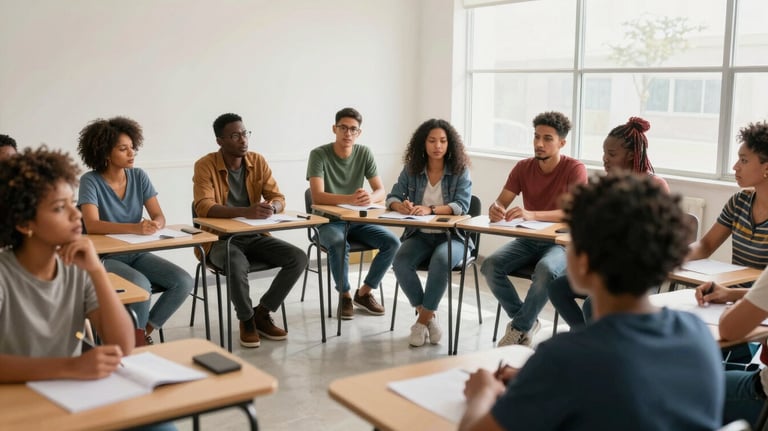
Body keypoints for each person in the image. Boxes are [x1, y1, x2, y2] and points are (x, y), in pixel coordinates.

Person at [460, 173, 724, 431]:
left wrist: (482, 393)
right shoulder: (697, 333)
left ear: (584, 262)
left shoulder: (563, 357)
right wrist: (537, 378)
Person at [0, 146, 135, 382]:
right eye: (59, 208)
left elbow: (123, 346)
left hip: (71, 393)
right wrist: (70, 367)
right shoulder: (4, 274)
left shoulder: (78, 266)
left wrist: (96, 271)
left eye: (72, 203)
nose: (77, 215)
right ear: (24, 223)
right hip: (16, 403)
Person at [193, 113, 307, 348]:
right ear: (220, 141)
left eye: (245, 133)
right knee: (236, 262)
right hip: (218, 240)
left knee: (298, 257)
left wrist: (271, 208)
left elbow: (278, 197)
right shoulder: (205, 165)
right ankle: (246, 320)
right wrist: (246, 211)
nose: (243, 140)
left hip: (255, 236)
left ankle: (261, 313)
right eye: (235, 135)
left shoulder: (258, 161)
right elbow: (203, 206)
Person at [77, 117, 194, 345]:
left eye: (132, 148)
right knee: (141, 286)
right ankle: (134, 341)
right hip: (106, 257)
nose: (132, 153)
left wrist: (156, 224)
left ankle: (140, 335)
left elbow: (159, 215)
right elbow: (92, 224)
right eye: (123, 149)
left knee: (183, 281)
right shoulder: (90, 181)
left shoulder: (139, 176)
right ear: (105, 153)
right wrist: (136, 227)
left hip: (138, 251)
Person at [548, 116, 668, 330]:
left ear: (632, 155)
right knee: (557, 288)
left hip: (640, 272)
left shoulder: (654, 186)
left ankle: (600, 347)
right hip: (608, 268)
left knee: (592, 304)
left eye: (612, 154)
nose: (605, 159)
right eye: (604, 153)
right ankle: (589, 341)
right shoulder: (609, 186)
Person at [481, 111, 587, 346]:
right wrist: (495, 208)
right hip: (528, 239)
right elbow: (502, 201)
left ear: (562, 142)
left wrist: (532, 213)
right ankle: (528, 322)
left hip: (561, 243)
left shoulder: (574, 168)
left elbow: (575, 211)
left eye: (547, 138)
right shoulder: (523, 167)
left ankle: (519, 328)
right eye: (536, 137)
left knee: (546, 270)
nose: (539, 143)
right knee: (489, 265)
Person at [307, 107, 400, 319]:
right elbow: (317, 197)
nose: (348, 133)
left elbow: (381, 191)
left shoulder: (364, 153)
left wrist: (370, 198)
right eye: (343, 128)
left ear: (359, 133)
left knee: (393, 243)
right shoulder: (319, 154)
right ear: (334, 129)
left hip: (356, 220)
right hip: (327, 222)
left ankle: (364, 293)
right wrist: (349, 198)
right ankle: (346, 296)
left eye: (353, 129)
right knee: (340, 244)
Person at [386, 119, 472, 347]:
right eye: (432, 141)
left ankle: (421, 322)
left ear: (450, 144)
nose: (438, 146)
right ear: (422, 144)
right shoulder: (412, 170)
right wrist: (400, 206)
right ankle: (429, 317)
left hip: (452, 237)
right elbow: (392, 197)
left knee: (441, 261)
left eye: (443, 141)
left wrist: (430, 209)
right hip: (420, 234)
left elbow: (462, 205)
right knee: (400, 262)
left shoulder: (460, 171)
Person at [689, 120, 768, 299]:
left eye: (744, 160)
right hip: (734, 302)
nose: (735, 167)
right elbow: (706, 245)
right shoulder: (739, 202)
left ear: (767, 167)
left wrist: (730, 294)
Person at [711, 266, 768, 427]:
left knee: (685, 388)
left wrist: (731, 309)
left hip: (762, 398)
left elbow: (729, 329)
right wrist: (731, 294)